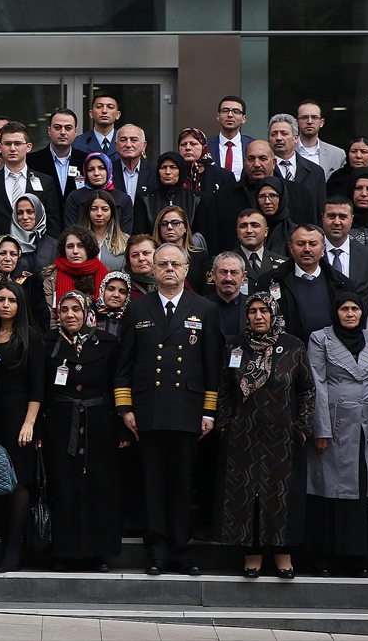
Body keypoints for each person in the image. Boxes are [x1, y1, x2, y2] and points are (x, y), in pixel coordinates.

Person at [115, 243, 222, 576]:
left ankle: (182, 553)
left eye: (176, 264)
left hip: (188, 411)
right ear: (153, 269)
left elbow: (212, 367)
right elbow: (124, 366)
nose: (169, 269)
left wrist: (208, 412)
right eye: (162, 264)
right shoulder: (137, 309)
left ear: (187, 268)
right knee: (153, 487)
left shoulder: (204, 309)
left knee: (181, 485)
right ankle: (157, 553)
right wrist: (125, 407)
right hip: (149, 411)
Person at [214, 291, 314, 579]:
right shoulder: (236, 346)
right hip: (242, 437)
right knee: (247, 496)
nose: (258, 316)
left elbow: (306, 389)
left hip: (283, 436)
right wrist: (225, 423)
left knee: (280, 497)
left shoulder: (292, 346)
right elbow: (223, 388)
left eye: (264, 311)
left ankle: (283, 558)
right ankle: (252, 557)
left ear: (274, 314)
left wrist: (303, 426)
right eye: (253, 311)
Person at [42, 290, 127, 572]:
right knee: (64, 487)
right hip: (60, 426)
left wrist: (121, 429)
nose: (70, 315)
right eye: (64, 310)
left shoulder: (107, 342)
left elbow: (116, 386)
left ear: (87, 311)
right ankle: (63, 553)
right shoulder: (48, 343)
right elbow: (40, 389)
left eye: (76, 309)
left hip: (99, 426)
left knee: (98, 489)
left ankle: (96, 553)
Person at [306, 293, 368, 578]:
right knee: (329, 492)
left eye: (355, 309)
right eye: (345, 308)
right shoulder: (320, 339)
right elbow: (317, 383)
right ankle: (325, 557)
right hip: (333, 428)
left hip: (365, 429)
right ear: (336, 312)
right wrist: (321, 428)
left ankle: (357, 556)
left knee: (361, 492)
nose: (350, 313)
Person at [0, 280, 44, 572]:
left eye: (12, 300)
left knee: (18, 482)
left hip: (20, 417)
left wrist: (29, 423)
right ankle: (4, 543)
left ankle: (15, 548)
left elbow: (37, 386)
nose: (5, 304)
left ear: (20, 305)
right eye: (0, 299)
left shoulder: (31, 337)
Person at [258, 225, 350, 342]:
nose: (307, 249)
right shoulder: (269, 281)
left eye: (313, 244)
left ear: (323, 248)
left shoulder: (342, 283)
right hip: (285, 353)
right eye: (301, 244)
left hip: (331, 354)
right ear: (290, 247)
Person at [0, 121, 63, 238]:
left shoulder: (45, 182)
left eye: (17, 143)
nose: (12, 148)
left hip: (37, 251)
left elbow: (53, 225)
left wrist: (48, 252)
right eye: (7, 144)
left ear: (28, 147)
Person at [0, 235, 50, 332]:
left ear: (19, 257)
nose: (7, 258)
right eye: (2, 253)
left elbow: (42, 317)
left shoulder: (31, 281)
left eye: (13, 254)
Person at [42, 226, 109, 329]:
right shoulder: (51, 278)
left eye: (81, 246)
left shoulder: (105, 276)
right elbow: (51, 317)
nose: (75, 251)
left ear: (89, 248)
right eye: (70, 246)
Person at [323, 198, 368, 316]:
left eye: (343, 217)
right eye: (331, 216)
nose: (337, 222)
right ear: (322, 217)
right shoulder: (311, 254)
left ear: (351, 219)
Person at [269, 114, 327, 224]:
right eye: (274, 134)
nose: (278, 138)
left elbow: (320, 212)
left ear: (296, 138)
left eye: (284, 133)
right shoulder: (262, 171)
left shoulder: (315, 172)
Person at [133, 151, 203, 236]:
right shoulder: (145, 198)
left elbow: (201, 233)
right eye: (163, 167)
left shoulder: (197, 198)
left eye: (173, 167)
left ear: (181, 170)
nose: (167, 172)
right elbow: (140, 233)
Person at [63, 152, 133, 232]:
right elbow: (71, 231)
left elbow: (126, 233)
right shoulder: (75, 197)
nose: (96, 173)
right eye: (91, 170)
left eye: (101, 168)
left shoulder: (123, 199)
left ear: (109, 170)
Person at [153, 206, 211, 294]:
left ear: (186, 228)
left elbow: (206, 290)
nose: (169, 227)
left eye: (175, 223)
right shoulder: (151, 256)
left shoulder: (200, 256)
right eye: (164, 224)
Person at [77, 190, 128, 272]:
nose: (99, 213)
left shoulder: (125, 240)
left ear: (112, 212)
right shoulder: (76, 239)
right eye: (94, 209)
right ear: (88, 212)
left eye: (105, 209)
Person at [177, 127, 236, 196]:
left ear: (203, 147)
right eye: (183, 144)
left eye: (193, 144)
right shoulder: (171, 174)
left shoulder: (224, 176)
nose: (188, 148)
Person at [295, 100, 347, 178]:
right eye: (304, 117)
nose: (309, 121)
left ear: (321, 122)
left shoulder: (337, 155)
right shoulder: (286, 152)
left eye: (314, 117)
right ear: (297, 122)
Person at [10, 194, 57, 275]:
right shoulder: (7, 244)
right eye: (20, 213)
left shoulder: (54, 246)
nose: (25, 217)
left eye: (30, 212)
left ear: (39, 212)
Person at [235, 209, 287, 283]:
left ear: (266, 232)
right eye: (243, 226)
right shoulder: (223, 263)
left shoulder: (283, 264)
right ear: (237, 232)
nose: (249, 230)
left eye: (255, 225)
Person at [112, 124, 158, 207]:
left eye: (134, 140)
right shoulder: (107, 171)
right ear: (116, 145)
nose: (128, 145)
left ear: (144, 146)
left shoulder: (155, 173)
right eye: (123, 140)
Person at [211, 96, 254, 178]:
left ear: (244, 119)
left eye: (236, 111)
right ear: (218, 116)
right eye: (225, 111)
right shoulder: (206, 146)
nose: (230, 115)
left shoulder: (253, 145)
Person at [210, 252, 250, 341]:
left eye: (234, 273)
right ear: (213, 275)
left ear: (243, 276)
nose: (228, 278)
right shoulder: (201, 306)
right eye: (223, 272)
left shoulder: (253, 306)